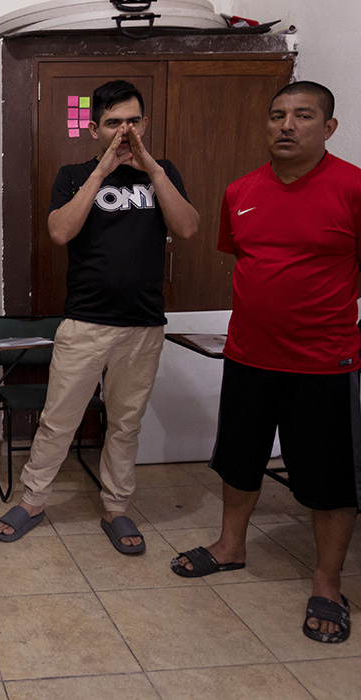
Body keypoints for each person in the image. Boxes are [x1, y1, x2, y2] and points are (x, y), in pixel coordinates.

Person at [170, 81, 361, 644]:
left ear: (328, 128)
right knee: (238, 459)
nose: (286, 125)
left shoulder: (353, 188)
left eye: (303, 116)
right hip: (249, 356)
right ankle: (230, 547)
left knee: (331, 480)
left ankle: (327, 582)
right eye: (277, 115)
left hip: (325, 363)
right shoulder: (241, 191)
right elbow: (244, 259)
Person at [0, 80, 199, 553]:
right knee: (59, 419)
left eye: (131, 121)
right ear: (94, 129)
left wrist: (151, 170)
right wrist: (103, 172)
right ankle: (33, 500)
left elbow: (187, 227)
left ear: (144, 124)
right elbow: (61, 232)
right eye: (113, 123)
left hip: (144, 325)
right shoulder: (72, 174)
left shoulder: (162, 172)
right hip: (86, 322)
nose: (124, 130)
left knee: (126, 423)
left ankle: (117, 508)